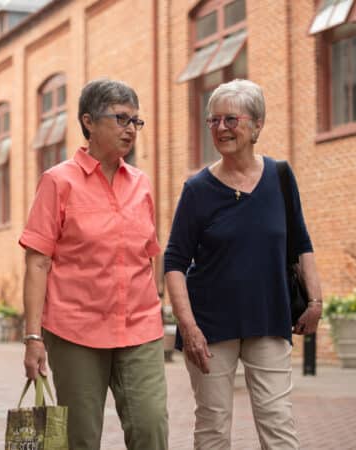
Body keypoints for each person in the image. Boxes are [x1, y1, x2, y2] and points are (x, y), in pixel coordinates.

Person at [163, 78, 323, 450]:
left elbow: (301, 242)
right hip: (210, 326)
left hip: (269, 317)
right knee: (213, 427)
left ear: (256, 126)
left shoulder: (280, 176)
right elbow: (173, 261)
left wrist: (314, 302)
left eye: (231, 120)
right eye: (213, 121)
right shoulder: (197, 189)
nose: (221, 129)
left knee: (278, 423)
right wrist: (188, 328)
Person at [19, 78, 169, 450]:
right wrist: (33, 337)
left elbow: (150, 253)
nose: (131, 129)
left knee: (151, 426)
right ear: (88, 121)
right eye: (121, 119)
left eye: (136, 121)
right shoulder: (57, 182)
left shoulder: (142, 184)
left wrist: (156, 301)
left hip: (139, 327)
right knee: (80, 439)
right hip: (76, 331)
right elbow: (37, 263)